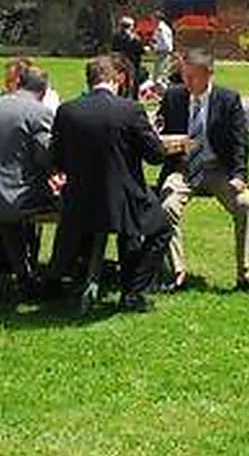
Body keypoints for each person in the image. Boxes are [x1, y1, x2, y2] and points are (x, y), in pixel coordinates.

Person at [50, 55, 170, 313]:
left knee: (131, 219)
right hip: (123, 201)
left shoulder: (67, 111)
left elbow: (56, 159)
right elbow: (156, 156)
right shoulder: (130, 110)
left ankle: (75, 276)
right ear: (118, 79)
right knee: (160, 226)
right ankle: (134, 291)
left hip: (79, 203)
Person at [156, 50, 249, 293]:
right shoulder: (173, 97)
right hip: (182, 169)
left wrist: (240, 176)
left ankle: (244, 274)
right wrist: (167, 143)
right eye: (185, 76)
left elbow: (240, 141)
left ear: (209, 74)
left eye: (193, 77)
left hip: (218, 169)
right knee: (165, 206)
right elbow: (158, 132)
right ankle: (177, 271)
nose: (188, 82)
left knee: (246, 205)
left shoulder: (228, 99)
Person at [0, 64, 56, 296]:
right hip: (14, 199)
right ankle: (59, 273)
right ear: (44, 91)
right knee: (69, 206)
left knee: (14, 203)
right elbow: (47, 158)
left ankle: (19, 270)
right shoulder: (41, 112)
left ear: (19, 84)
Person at [111, 16, 145, 99]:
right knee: (132, 82)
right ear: (131, 26)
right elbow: (141, 51)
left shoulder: (116, 37)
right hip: (133, 62)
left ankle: (119, 96)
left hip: (120, 61)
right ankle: (133, 98)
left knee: (120, 81)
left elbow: (114, 49)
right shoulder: (135, 38)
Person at [149, 11, 175, 85]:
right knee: (160, 72)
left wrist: (155, 47)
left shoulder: (161, 29)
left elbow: (166, 44)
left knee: (160, 74)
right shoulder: (159, 27)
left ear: (157, 19)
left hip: (163, 52)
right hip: (162, 52)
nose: (152, 20)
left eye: (153, 18)